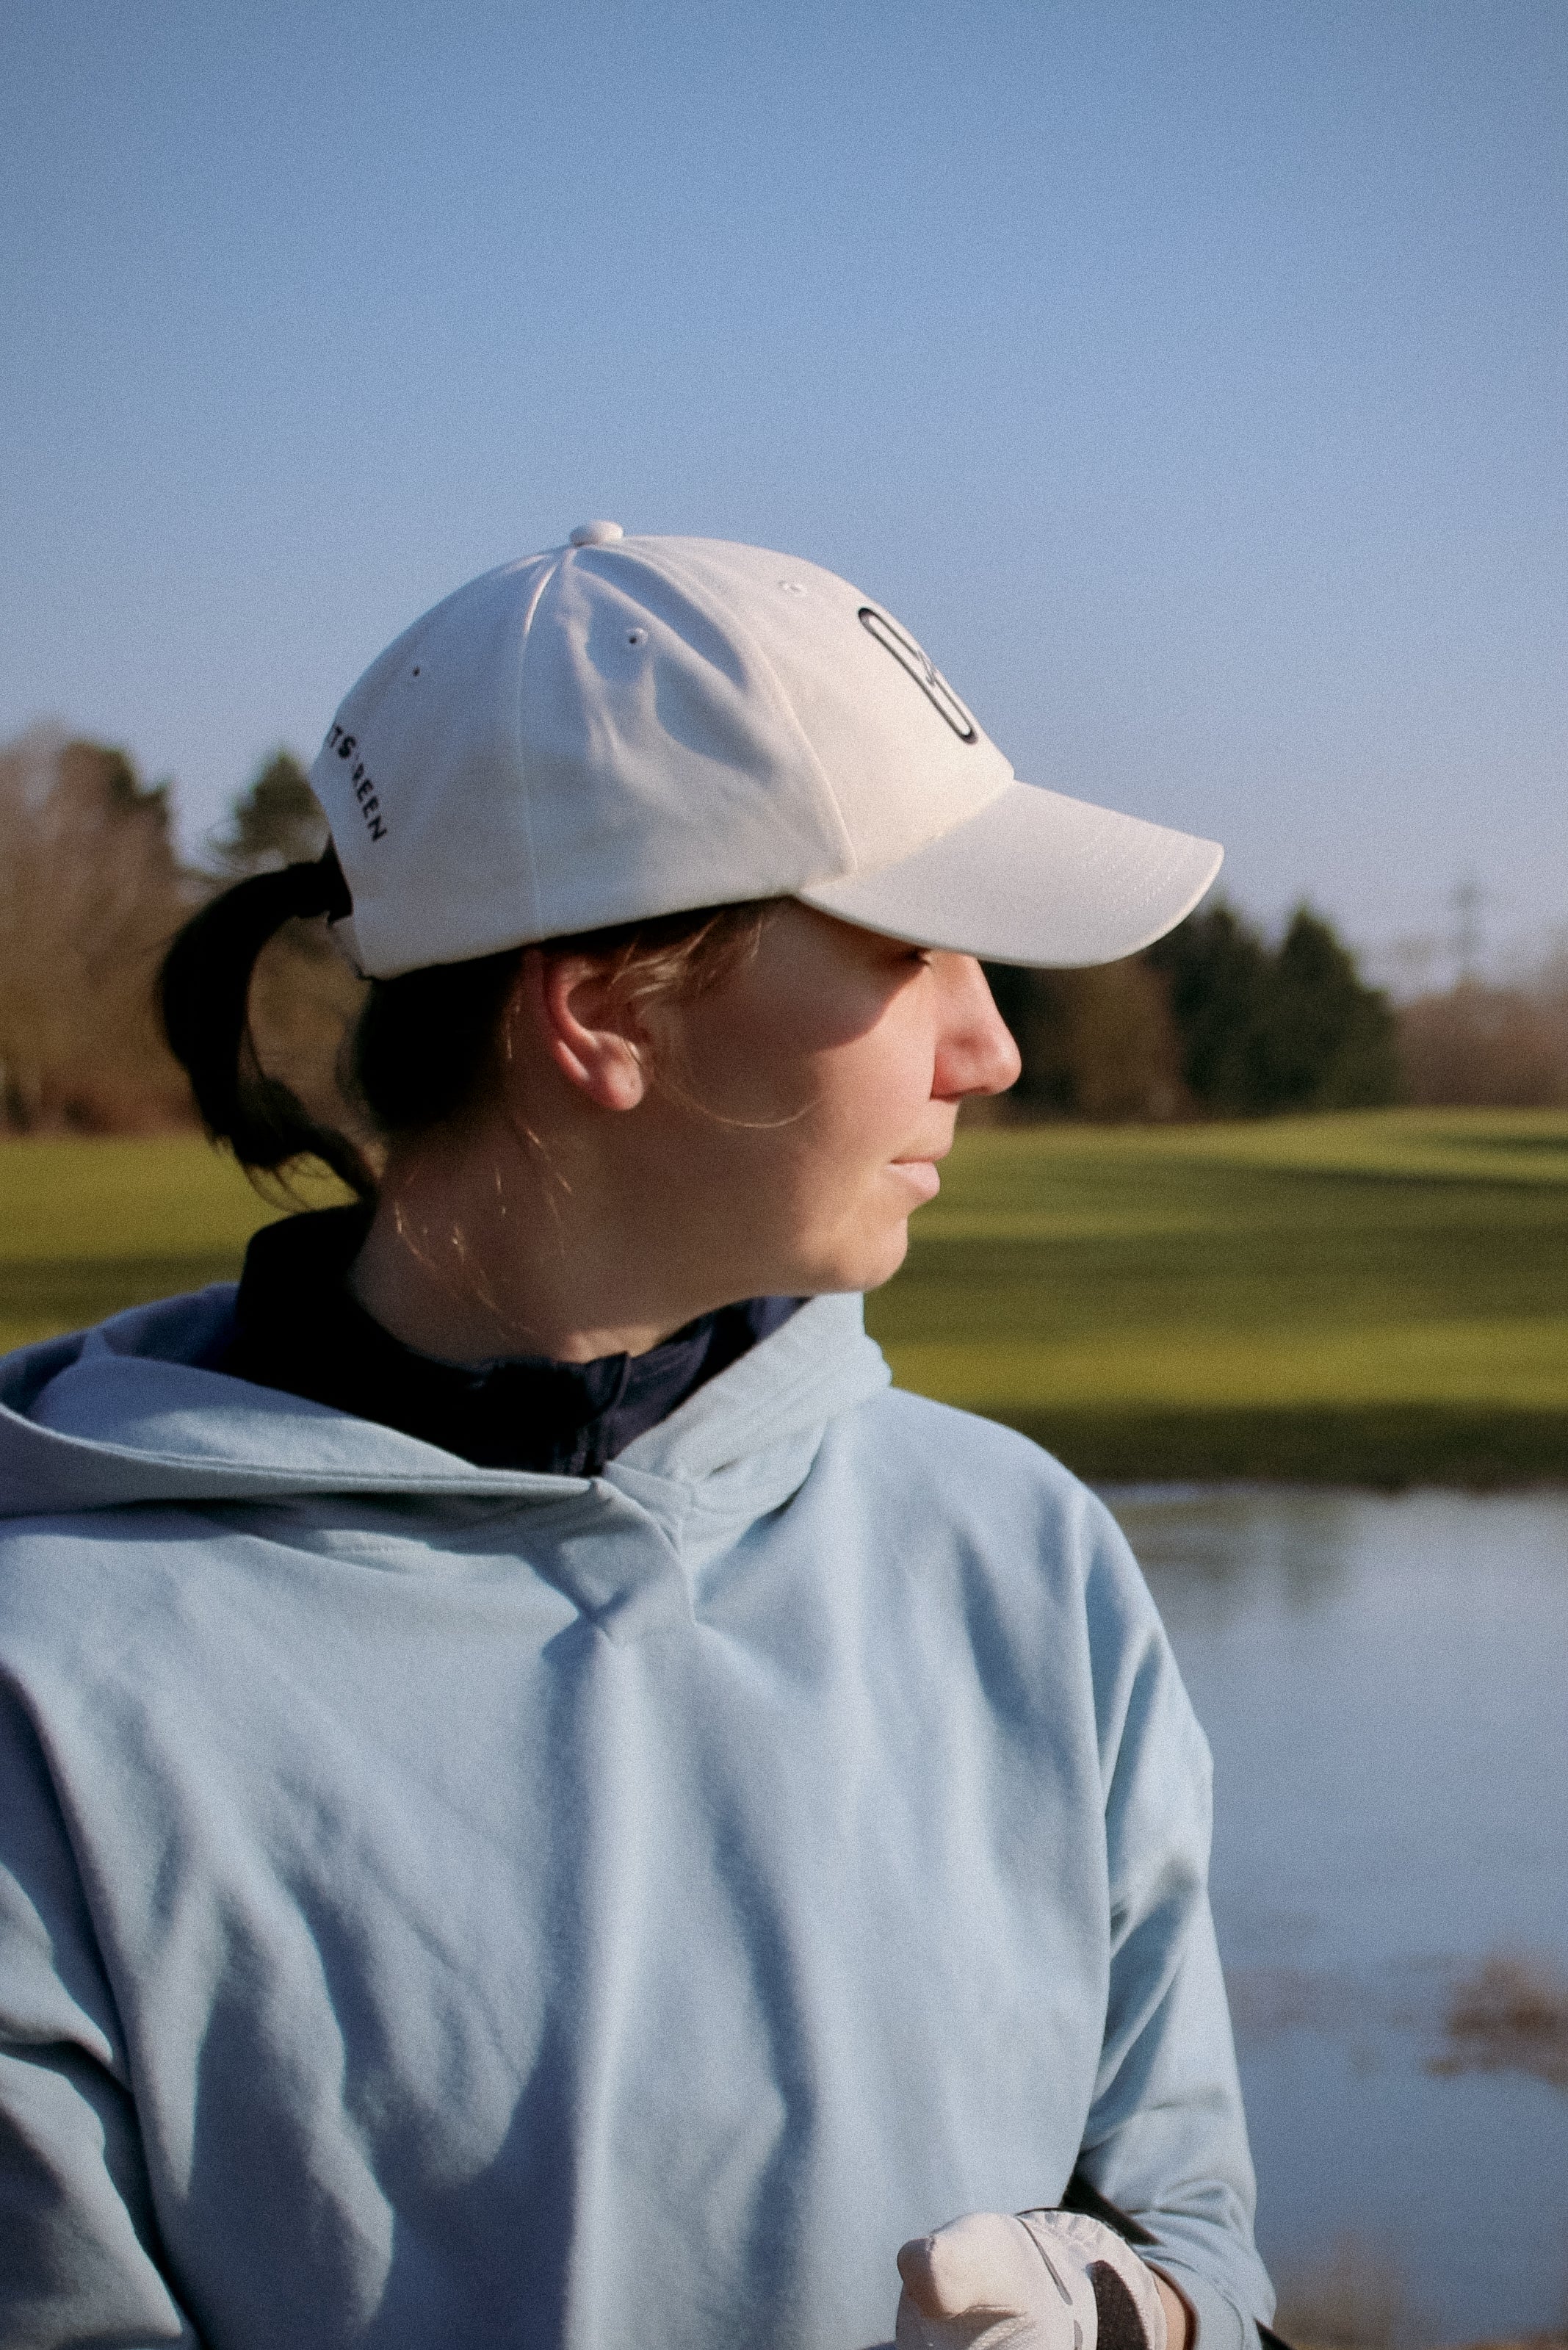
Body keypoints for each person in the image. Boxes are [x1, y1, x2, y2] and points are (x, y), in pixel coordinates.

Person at [0, 524, 1282, 2349]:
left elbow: (1201, 2245)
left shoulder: (1026, 1554)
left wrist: (1126, 2314)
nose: (989, 1046)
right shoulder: (47, 1678)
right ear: (602, 1011)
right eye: (912, 948)